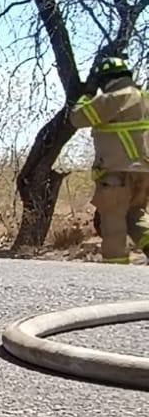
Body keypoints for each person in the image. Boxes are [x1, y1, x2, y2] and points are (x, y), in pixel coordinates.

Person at [69, 56, 149, 265]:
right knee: (136, 216)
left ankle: (116, 271)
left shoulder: (113, 99)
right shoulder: (145, 98)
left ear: (105, 80)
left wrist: (87, 94)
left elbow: (77, 117)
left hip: (116, 174)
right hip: (143, 173)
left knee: (113, 224)